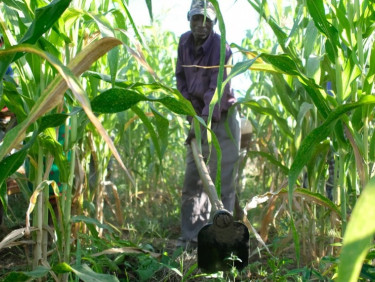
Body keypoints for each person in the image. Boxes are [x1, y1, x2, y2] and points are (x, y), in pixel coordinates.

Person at [175, 0, 240, 249]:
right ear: (188, 19)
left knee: (223, 177)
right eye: (196, 19)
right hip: (197, 116)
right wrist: (191, 115)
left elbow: (217, 93)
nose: (201, 26)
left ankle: (223, 241)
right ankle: (192, 236)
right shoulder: (184, 43)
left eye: (207, 21)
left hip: (221, 117)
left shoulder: (222, 48)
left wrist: (200, 122)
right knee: (194, 177)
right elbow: (181, 80)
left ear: (213, 23)